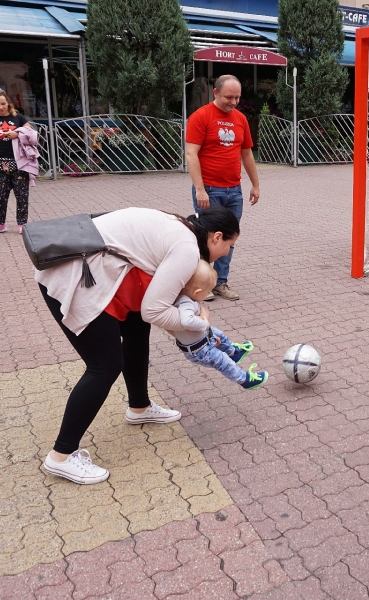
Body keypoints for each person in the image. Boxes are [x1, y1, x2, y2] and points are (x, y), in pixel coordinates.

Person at [37, 206, 240, 485]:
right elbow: (154, 311)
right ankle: (61, 455)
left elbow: (149, 309)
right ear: (217, 237)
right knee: (104, 366)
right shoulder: (187, 249)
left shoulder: (181, 225)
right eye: (230, 245)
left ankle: (139, 407)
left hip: (90, 270)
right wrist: (200, 324)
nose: (227, 253)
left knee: (136, 328)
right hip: (71, 276)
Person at [185, 74, 260, 301]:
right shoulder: (201, 117)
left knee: (228, 238)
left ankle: (220, 282)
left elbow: (246, 153)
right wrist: (200, 189)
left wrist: (255, 184)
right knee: (207, 238)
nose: (234, 102)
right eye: (229, 97)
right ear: (216, 93)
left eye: (237, 97)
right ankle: (202, 283)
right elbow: (191, 154)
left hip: (233, 190)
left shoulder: (240, 119)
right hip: (209, 190)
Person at [173, 260, 268, 389]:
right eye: (207, 292)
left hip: (201, 341)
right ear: (197, 292)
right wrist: (205, 323)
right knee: (223, 361)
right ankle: (244, 380)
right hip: (199, 350)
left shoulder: (188, 298)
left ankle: (233, 352)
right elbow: (187, 321)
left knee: (219, 334)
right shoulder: (185, 304)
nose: (207, 295)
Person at [0, 87, 37, 235]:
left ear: (8, 103)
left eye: (3, 104)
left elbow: (32, 135)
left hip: (19, 162)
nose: (1, 107)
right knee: (0, 195)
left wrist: (17, 134)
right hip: (0, 163)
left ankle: (22, 224)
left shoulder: (19, 118)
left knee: (22, 196)